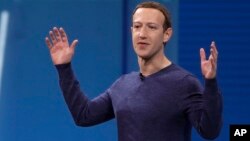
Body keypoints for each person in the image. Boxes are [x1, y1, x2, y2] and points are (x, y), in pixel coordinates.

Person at [45, 1, 222, 141]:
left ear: (166, 34)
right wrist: (64, 68)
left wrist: (211, 83)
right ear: (131, 31)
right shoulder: (123, 85)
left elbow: (209, 131)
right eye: (137, 27)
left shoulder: (184, 83)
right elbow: (84, 115)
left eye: (151, 27)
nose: (142, 34)